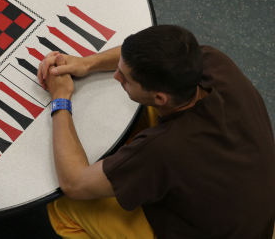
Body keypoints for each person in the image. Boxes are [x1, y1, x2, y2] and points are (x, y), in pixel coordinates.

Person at [38, 25, 275, 239]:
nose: (116, 76)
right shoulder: (212, 60)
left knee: (63, 209)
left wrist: (60, 98)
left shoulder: (163, 149)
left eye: (126, 79)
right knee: (145, 117)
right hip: (254, 209)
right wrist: (87, 63)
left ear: (160, 97)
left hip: (212, 232)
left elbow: (75, 183)